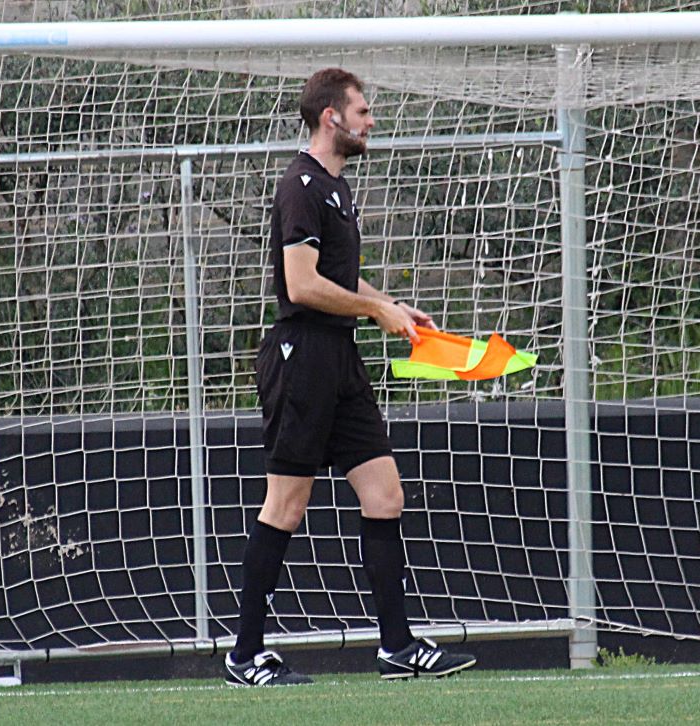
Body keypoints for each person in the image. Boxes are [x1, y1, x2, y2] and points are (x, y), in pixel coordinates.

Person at [223, 68, 477, 687]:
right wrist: (374, 311)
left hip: (339, 357)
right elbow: (302, 285)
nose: (371, 121)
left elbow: (337, 278)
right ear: (331, 116)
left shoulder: (338, 187)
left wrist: (391, 305)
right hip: (301, 359)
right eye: (362, 111)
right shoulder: (301, 185)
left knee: (385, 495)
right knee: (286, 505)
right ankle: (244, 656)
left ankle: (397, 647)